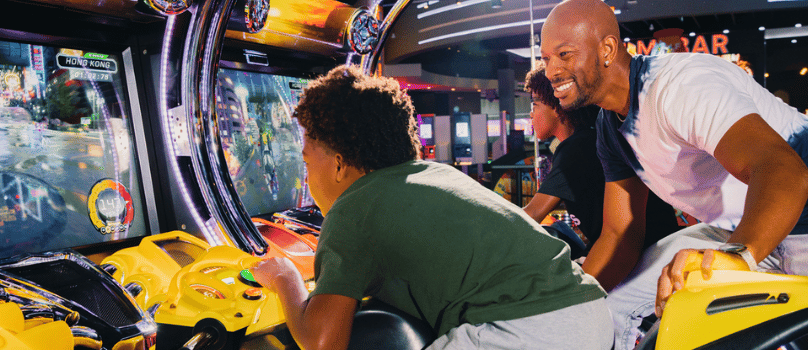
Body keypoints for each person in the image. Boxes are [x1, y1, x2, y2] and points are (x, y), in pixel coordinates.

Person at [540, 0, 808, 349]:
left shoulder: (680, 85)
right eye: (547, 58)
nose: (550, 70)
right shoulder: (609, 126)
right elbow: (619, 233)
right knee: (608, 306)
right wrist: (568, 298)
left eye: (563, 55)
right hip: (742, 228)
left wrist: (738, 256)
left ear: (608, 48)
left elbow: (788, 174)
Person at [250, 65, 613, 350]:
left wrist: (284, 277)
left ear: (340, 164)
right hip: (591, 314)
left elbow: (322, 342)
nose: (308, 175)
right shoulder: (435, 174)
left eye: (307, 161)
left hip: (529, 330)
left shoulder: (354, 209)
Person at [522, 63, 680, 258]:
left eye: (535, 104)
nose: (531, 114)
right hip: (658, 250)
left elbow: (529, 216)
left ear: (556, 104)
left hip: (643, 260)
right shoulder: (593, 138)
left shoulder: (577, 148)